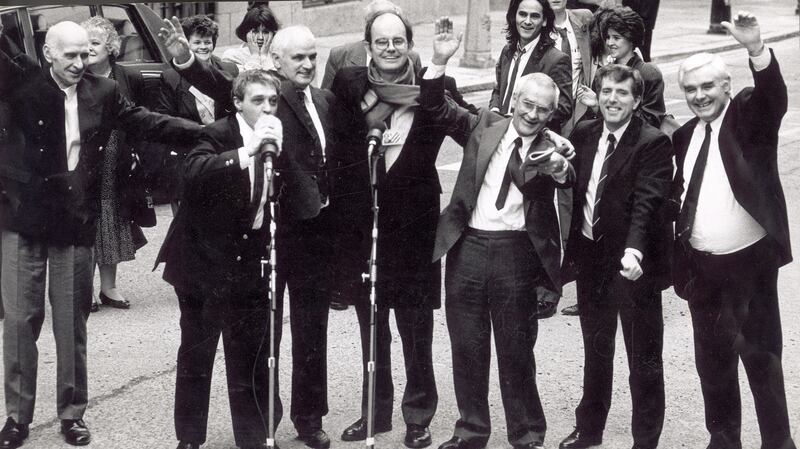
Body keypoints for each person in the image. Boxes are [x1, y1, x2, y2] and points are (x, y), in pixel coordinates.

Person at [0, 21, 200, 449]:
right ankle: (17, 418)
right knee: (19, 322)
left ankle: (72, 415)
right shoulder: (22, 83)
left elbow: (147, 122)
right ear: (47, 53)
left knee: (72, 321)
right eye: (68, 55)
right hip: (22, 216)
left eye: (84, 54)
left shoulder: (103, 93)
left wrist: (206, 133)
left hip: (74, 217)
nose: (79, 63)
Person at [156, 18, 336, 449]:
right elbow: (192, 170)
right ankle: (189, 439)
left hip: (252, 260)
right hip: (201, 261)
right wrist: (244, 152)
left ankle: (253, 438)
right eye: (259, 101)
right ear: (238, 105)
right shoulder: (219, 134)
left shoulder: (291, 123)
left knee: (250, 358)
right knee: (197, 353)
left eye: (274, 101)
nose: (269, 109)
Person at [422, 18, 574, 449]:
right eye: (527, 104)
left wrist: (561, 167)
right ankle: (471, 432)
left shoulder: (552, 147)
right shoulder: (484, 125)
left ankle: (527, 435)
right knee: (467, 348)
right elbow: (435, 107)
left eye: (542, 110)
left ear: (551, 113)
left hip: (515, 253)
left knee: (516, 351)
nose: (532, 114)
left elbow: (567, 174)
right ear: (516, 100)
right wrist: (439, 59)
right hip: (467, 247)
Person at [671, 12, 796, 449]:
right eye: (691, 89)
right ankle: (723, 442)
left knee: (761, 361)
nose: (700, 95)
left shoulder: (747, 117)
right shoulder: (685, 136)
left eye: (708, 86)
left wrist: (756, 50)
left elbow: (772, 99)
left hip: (750, 264)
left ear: (725, 86)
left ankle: (778, 445)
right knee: (713, 364)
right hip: (703, 268)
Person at [328, 10, 450, 448]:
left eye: (399, 41)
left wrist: (439, 64)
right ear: (368, 46)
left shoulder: (434, 88)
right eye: (382, 42)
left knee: (417, 328)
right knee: (371, 324)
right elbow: (332, 143)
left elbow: (470, 126)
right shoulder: (348, 85)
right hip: (365, 223)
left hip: (415, 224)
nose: (391, 49)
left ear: (410, 44)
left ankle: (418, 416)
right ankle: (374, 414)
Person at [558, 64, 672, 449]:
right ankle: (588, 431)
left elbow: (647, 203)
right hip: (592, 260)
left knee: (643, 358)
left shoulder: (652, 142)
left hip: (633, 265)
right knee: (596, 351)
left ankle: (645, 440)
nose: (612, 100)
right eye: (606, 91)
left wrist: (635, 249)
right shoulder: (586, 133)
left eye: (622, 93)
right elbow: (572, 189)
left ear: (637, 100)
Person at [81, 16, 148, 312]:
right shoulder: (76, 75)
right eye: (85, 44)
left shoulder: (128, 77)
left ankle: (109, 287)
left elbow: (142, 118)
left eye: (94, 43)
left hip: (118, 156)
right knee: (88, 217)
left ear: (110, 47)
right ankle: (84, 289)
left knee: (113, 216)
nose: (88, 49)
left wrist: (137, 153)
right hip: (86, 157)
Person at [153, 15, 238, 215]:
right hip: (189, 158)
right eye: (197, 42)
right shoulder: (171, 76)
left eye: (207, 42)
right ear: (186, 44)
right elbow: (165, 119)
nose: (203, 47)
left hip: (225, 158)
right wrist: (198, 131)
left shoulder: (229, 70)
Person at [575, 6, 665, 129]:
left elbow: (651, 121)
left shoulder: (649, 73)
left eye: (616, 38)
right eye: (607, 37)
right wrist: (595, 106)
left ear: (632, 39)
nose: (609, 43)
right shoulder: (604, 73)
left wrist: (600, 107)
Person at [490, 0, 572, 132]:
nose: (527, 21)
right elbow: (498, 89)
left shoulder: (557, 60)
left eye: (534, 16)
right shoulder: (507, 51)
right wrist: (494, 110)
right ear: (514, 16)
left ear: (544, 21)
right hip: (500, 132)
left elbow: (564, 108)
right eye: (522, 14)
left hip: (532, 139)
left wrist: (522, 117)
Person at [222, 3, 280, 72]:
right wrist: (255, 56)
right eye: (255, 32)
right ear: (246, 32)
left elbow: (279, 81)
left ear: (273, 33)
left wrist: (264, 57)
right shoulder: (232, 56)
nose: (260, 38)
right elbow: (245, 81)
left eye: (265, 32)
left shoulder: (278, 56)